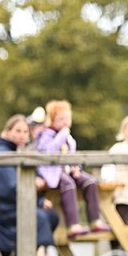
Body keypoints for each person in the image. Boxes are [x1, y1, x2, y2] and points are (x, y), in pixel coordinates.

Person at [0, 114, 59, 256]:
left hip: (7, 203)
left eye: (25, 132)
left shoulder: (11, 151)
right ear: (7, 131)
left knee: (50, 215)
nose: (22, 135)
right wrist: (38, 202)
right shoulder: (1, 152)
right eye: (18, 131)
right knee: (39, 216)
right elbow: (10, 188)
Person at [35, 99, 107, 237]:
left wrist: (76, 168)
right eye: (61, 118)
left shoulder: (68, 137)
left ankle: (95, 221)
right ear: (52, 120)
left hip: (68, 169)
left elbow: (72, 155)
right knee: (68, 184)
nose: (65, 121)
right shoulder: (46, 135)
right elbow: (49, 151)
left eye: (67, 118)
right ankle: (73, 224)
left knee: (90, 182)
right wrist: (62, 134)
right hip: (52, 170)